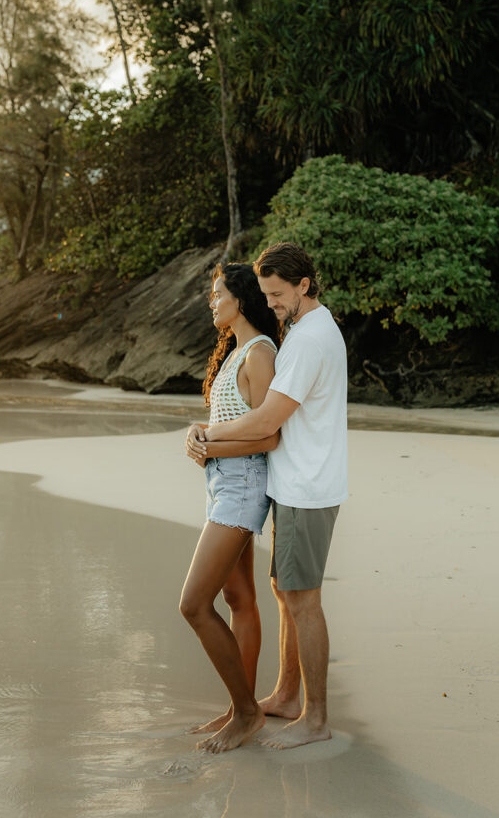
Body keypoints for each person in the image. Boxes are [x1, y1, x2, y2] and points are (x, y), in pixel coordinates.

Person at [188, 242, 348, 750]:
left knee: (303, 602)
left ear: (304, 285)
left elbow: (268, 423)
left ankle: (316, 717)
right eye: (266, 294)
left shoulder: (307, 341)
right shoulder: (303, 332)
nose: (272, 303)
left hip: (306, 485)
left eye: (278, 294)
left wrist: (207, 436)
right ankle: (282, 694)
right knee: (284, 597)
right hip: (292, 482)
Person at [180, 262, 281, 754]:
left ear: (240, 298)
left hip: (242, 486)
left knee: (194, 604)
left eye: (217, 293)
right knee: (238, 600)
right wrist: (197, 435)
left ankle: (247, 712)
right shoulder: (234, 352)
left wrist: (210, 447)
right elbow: (228, 420)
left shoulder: (260, 352)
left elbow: (269, 434)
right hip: (222, 483)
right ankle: (239, 704)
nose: (211, 300)